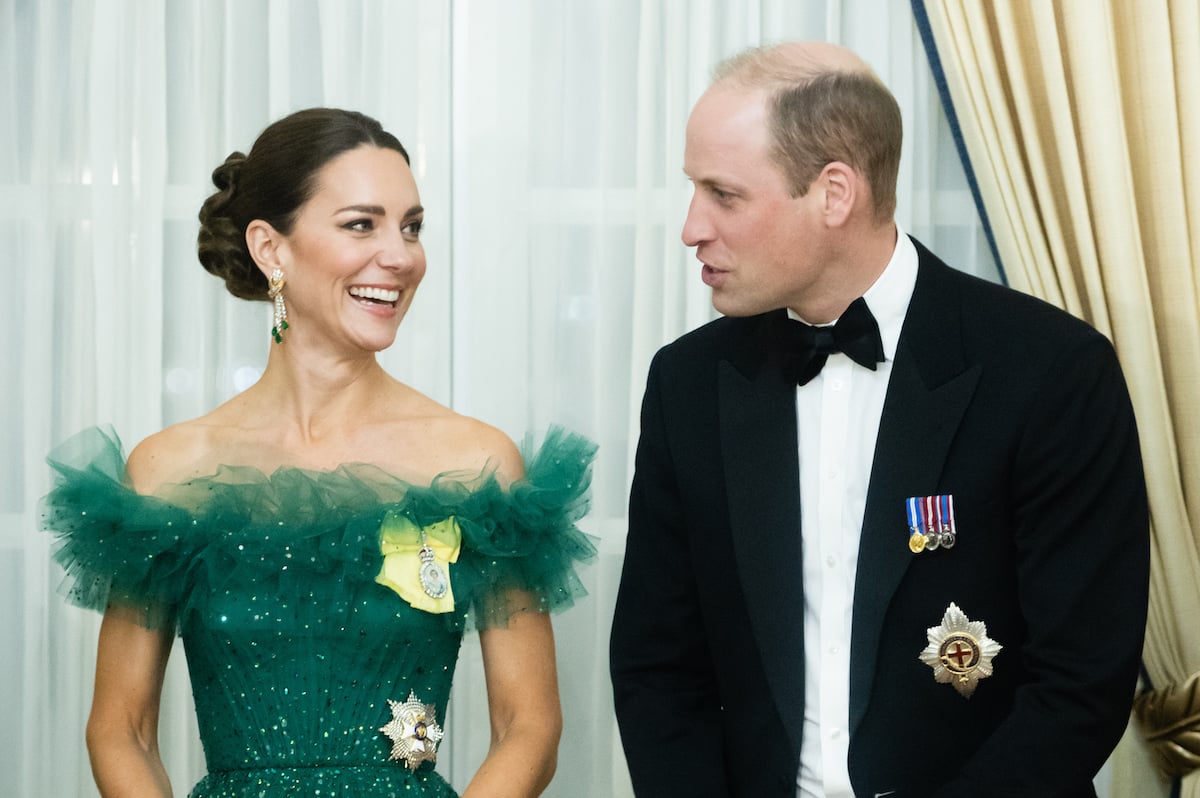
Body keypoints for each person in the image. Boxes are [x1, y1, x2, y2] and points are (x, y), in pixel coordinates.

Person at [609, 41, 1149, 798]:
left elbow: (1080, 685)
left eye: (723, 194)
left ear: (835, 194)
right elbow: (657, 666)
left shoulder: (1051, 371)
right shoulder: (690, 382)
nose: (691, 227)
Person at [43, 108, 596, 798]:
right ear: (271, 249)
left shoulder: (473, 463)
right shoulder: (167, 472)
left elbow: (529, 726)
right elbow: (121, 729)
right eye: (361, 224)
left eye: (412, 226)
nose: (400, 256)